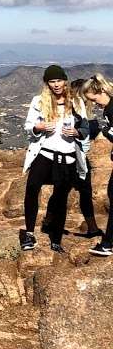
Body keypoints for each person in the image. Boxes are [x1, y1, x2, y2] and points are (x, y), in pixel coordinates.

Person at [21, 65, 87, 252]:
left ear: (65, 81)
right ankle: (29, 233)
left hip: (67, 157)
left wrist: (76, 132)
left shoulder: (76, 102)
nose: (56, 85)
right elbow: (29, 126)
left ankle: (56, 238)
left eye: (59, 80)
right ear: (47, 83)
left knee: (60, 197)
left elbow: (85, 129)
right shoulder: (39, 101)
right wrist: (39, 127)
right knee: (32, 188)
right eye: (52, 81)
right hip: (45, 153)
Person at [40, 79, 103, 238]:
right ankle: (91, 227)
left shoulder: (81, 113)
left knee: (69, 191)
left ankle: (49, 222)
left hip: (78, 157)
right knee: (69, 190)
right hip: (70, 157)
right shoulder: (74, 113)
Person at [80, 73, 113, 256]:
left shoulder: (111, 109)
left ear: (100, 90)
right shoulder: (109, 108)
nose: (95, 104)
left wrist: (107, 132)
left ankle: (108, 244)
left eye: (94, 99)